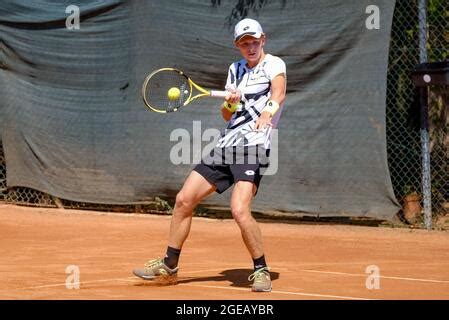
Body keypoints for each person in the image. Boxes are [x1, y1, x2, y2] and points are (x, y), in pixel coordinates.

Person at [133, 18, 287, 292]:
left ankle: (261, 269)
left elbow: (279, 92)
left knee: (239, 209)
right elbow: (226, 115)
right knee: (183, 200)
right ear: (238, 46)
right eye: (244, 43)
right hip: (227, 145)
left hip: (252, 147)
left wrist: (267, 112)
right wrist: (230, 103)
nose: (250, 47)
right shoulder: (235, 70)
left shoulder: (274, 64)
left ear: (263, 39)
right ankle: (169, 265)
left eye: (254, 41)